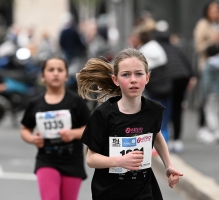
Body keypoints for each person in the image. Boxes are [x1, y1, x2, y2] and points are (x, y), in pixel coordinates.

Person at [77, 48, 183, 200]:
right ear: (116, 80)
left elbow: (156, 134)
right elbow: (91, 159)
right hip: (109, 192)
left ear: (147, 78)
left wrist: (168, 166)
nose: (133, 79)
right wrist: (120, 161)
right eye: (126, 74)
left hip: (144, 191)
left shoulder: (153, 110)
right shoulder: (103, 114)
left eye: (138, 74)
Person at [20, 57, 91, 200]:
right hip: (46, 160)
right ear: (42, 76)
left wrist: (73, 133)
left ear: (66, 76)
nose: (56, 73)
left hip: (72, 161)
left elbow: (90, 128)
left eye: (60, 70)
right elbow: (25, 129)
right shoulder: (35, 103)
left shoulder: (76, 102)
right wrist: (33, 139)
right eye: (51, 70)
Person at [154, 31, 197, 152]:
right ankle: (177, 140)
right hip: (183, 78)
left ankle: (164, 139)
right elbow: (187, 64)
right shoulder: (175, 48)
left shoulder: (157, 49)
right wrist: (191, 77)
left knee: (166, 109)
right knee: (178, 109)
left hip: (168, 81)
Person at [193, 1, 219, 143]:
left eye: (217, 10)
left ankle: (216, 126)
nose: (215, 12)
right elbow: (199, 46)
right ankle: (203, 126)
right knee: (206, 95)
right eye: (212, 10)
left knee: (218, 96)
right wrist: (213, 40)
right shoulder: (203, 25)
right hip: (207, 64)